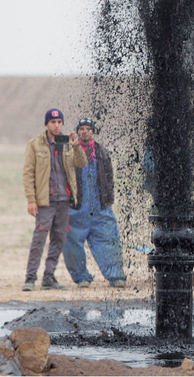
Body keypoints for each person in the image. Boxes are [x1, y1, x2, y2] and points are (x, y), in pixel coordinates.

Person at [22, 109, 88, 291]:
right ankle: (30, 278)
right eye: (53, 122)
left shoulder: (66, 143)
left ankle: (48, 277)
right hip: (45, 200)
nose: (57, 125)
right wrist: (31, 199)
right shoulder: (35, 144)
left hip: (64, 199)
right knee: (39, 239)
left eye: (59, 122)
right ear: (46, 124)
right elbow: (28, 173)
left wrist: (76, 145)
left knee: (59, 239)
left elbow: (82, 163)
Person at [63, 117, 126, 288]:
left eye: (88, 128)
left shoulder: (102, 152)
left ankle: (116, 276)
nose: (84, 131)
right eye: (81, 128)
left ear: (93, 131)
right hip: (76, 207)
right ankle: (81, 277)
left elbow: (109, 177)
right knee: (71, 242)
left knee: (108, 239)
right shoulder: (69, 152)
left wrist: (108, 200)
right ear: (77, 132)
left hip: (99, 206)